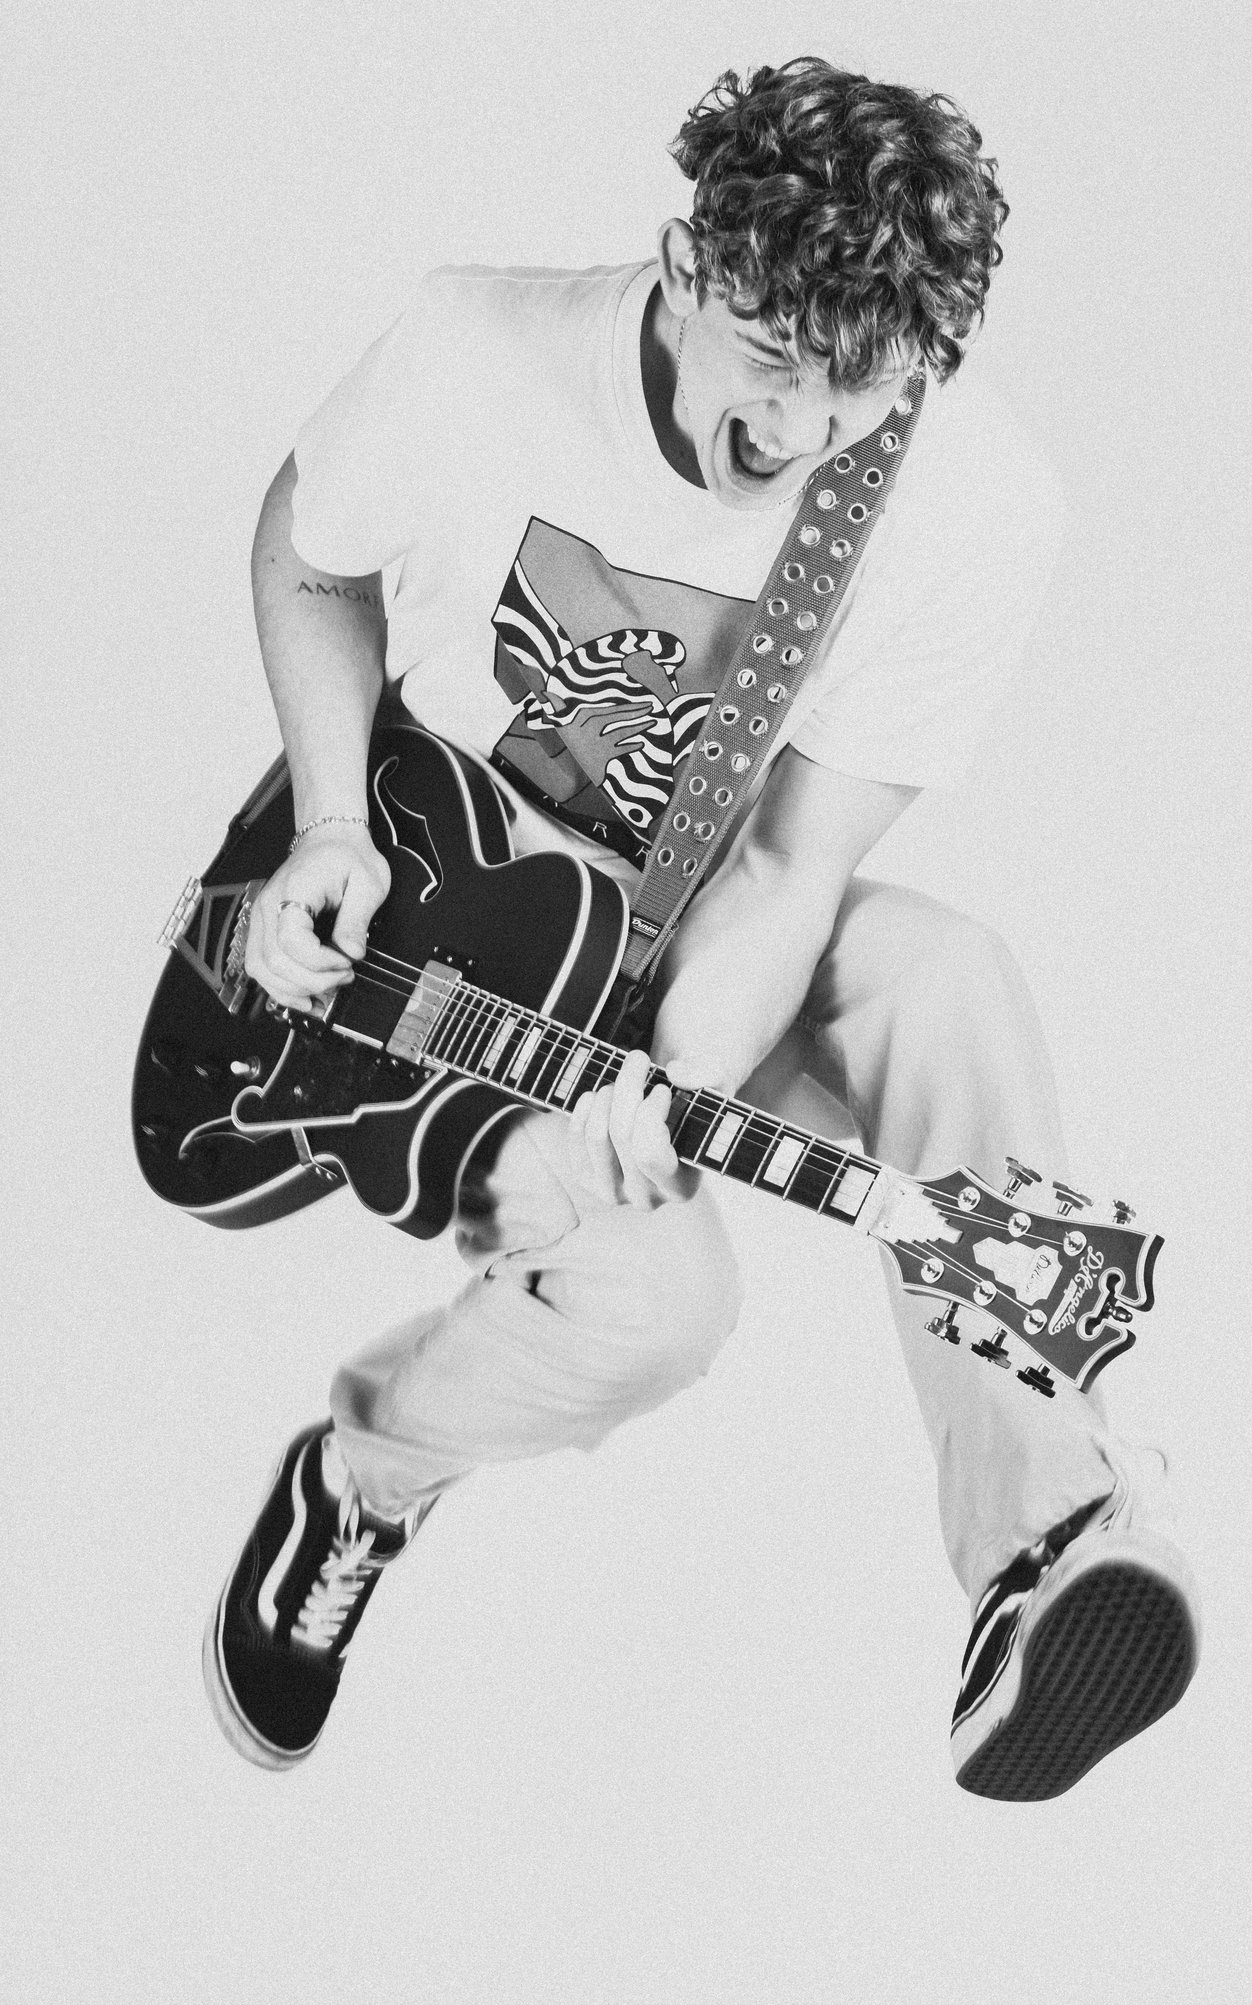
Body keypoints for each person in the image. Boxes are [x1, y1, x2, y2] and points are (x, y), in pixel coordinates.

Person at [203, 57, 1201, 1799]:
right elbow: (307, 551)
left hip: (687, 920)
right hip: (441, 912)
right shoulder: (472, 355)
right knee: (660, 1309)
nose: (807, 427)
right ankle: (357, 1487)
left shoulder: (972, 501)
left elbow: (790, 871)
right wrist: (333, 825)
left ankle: (1042, 1549)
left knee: (945, 985)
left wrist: (662, 1098)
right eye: (777, 360)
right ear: (687, 265)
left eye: (863, 383)